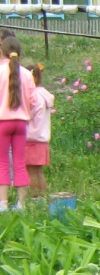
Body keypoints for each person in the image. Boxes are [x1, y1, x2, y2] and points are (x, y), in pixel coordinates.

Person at [0, 37, 34, 211]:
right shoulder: (27, 74)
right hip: (21, 123)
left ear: (2, 51)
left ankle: (3, 203)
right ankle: (21, 204)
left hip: (2, 123)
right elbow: (33, 100)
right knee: (20, 162)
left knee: (2, 162)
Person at [27, 63, 53, 201]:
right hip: (42, 139)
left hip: (31, 138)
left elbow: (27, 114)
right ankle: (42, 197)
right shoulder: (44, 94)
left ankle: (35, 198)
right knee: (38, 171)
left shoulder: (33, 96)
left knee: (31, 171)